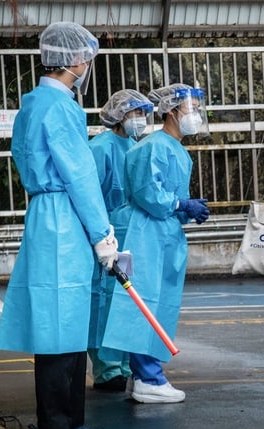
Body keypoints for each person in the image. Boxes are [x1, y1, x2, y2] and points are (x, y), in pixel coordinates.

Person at [0, 22, 117, 429]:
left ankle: (68, 421)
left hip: (46, 213)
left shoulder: (33, 102)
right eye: (87, 57)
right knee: (59, 329)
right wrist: (104, 234)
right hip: (64, 215)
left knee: (63, 325)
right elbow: (81, 175)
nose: (87, 65)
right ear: (76, 61)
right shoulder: (62, 106)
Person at [99, 83, 210, 404]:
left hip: (163, 235)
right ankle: (148, 376)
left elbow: (170, 194)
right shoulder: (153, 146)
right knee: (143, 303)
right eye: (190, 109)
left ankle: (144, 373)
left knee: (156, 303)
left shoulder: (173, 148)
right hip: (145, 233)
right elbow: (150, 193)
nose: (196, 116)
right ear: (171, 111)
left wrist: (187, 209)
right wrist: (179, 205)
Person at [87, 89, 154, 392]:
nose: (140, 120)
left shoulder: (136, 145)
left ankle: (125, 363)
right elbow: (91, 196)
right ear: (119, 115)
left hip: (132, 235)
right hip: (107, 235)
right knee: (103, 298)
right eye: (135, 113)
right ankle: (107, 368)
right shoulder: (100, 148)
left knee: (126, 299)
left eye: (143, 114)